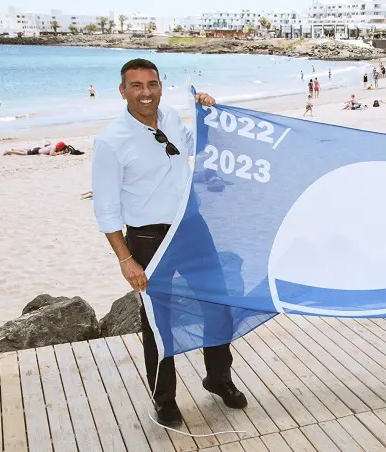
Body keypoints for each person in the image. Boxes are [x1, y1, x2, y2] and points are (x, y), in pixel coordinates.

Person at [91, 58, 248, 428]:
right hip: (148, 239)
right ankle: (164, 400)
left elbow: (194, 145)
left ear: (160, 86)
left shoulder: (172, 119)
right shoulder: (111, 142)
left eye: (152, 84)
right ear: (123, 91)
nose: (146, 93)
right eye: (137, 86)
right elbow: (106, 209)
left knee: (218, 304)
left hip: (192, 228)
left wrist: (207, 112)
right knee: (158, 323)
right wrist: (125, 259)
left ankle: (218, 378)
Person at [3, 141, 69, 156]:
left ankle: (14, 149)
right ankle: (8, 151)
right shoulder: (54, 148)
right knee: (23, 153)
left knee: (25, 150)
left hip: (38, 149)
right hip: (36, 151)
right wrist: (60, 153)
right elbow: (51, 154)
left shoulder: (53, 146)